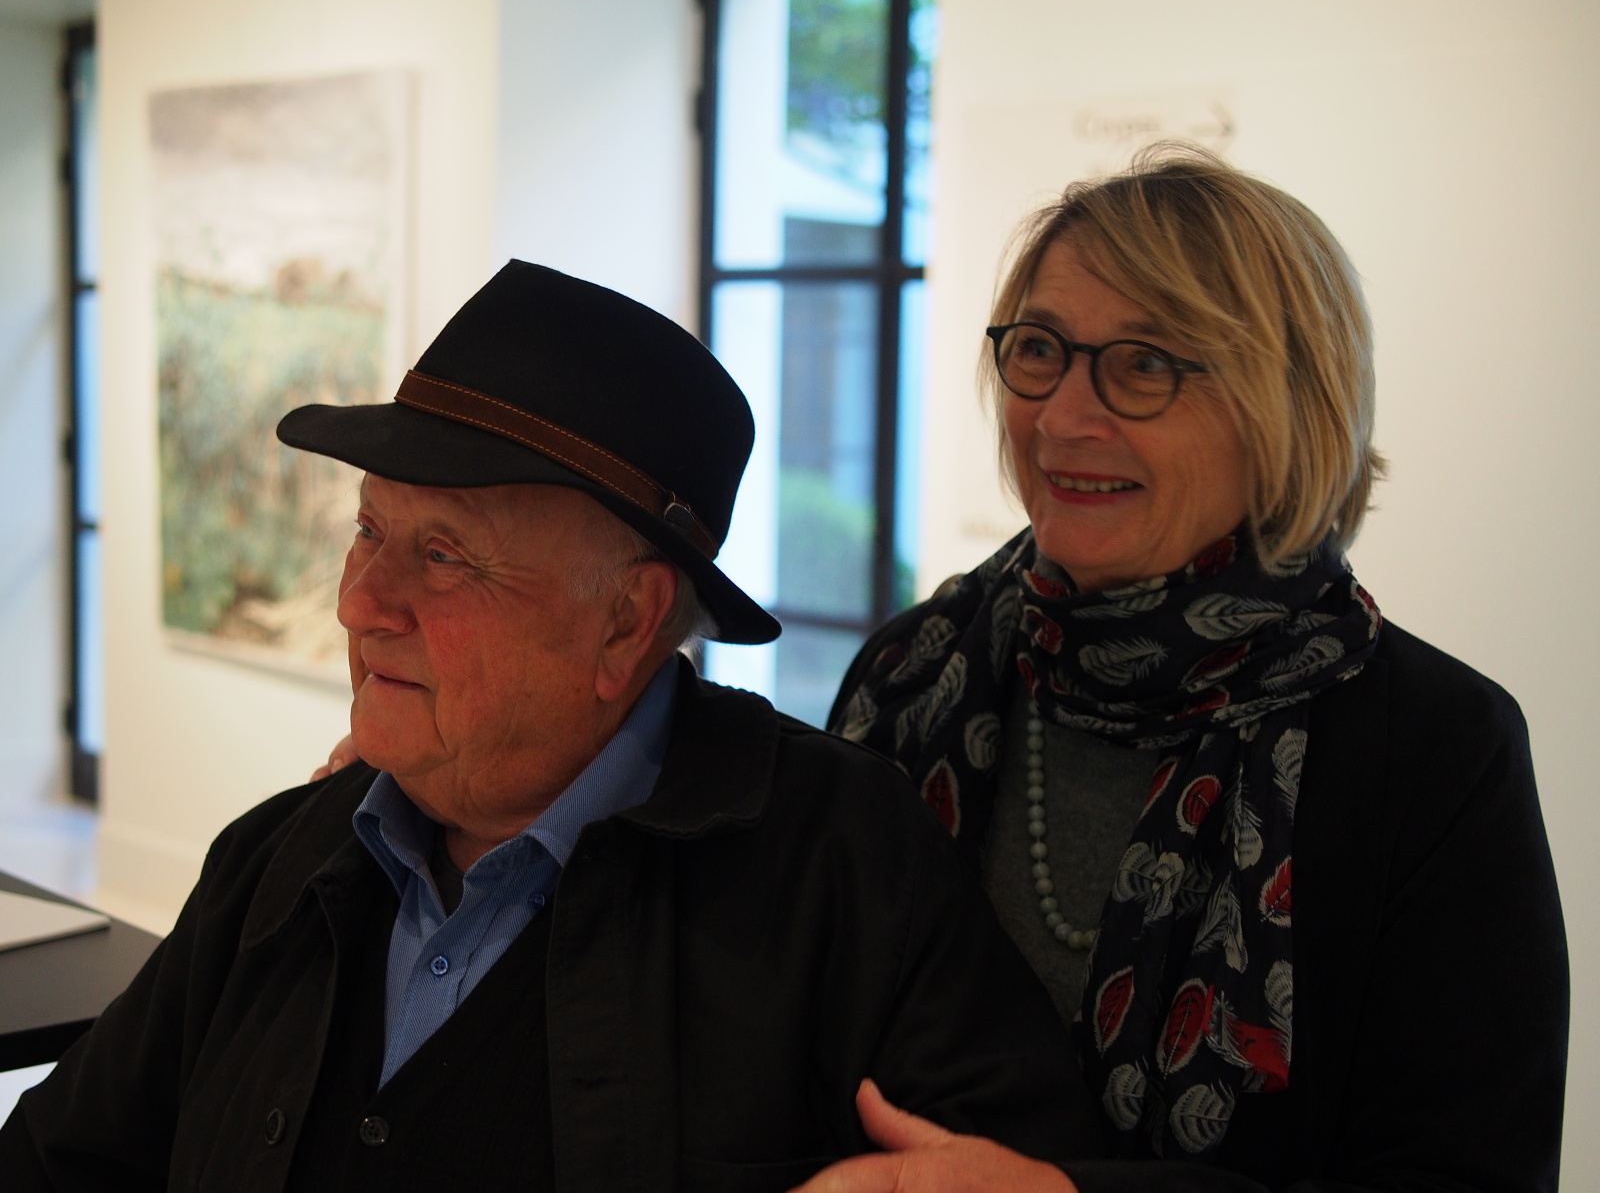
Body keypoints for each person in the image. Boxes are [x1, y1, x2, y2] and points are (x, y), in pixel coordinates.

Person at [0, 262, 1105, 1191]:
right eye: (369, 531)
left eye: (442, 556)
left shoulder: (838, 869)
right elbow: (56, 1164)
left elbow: (1010, 1174)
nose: (361, 603)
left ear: (626, 623)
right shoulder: (278, 861)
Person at [797, 146, 1569, 1192]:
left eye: (1144, 364)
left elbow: (1464, 1173)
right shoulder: (908, 676)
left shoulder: (1434, 749)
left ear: (1281, 403)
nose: (1061, 417)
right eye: (1040, 349)